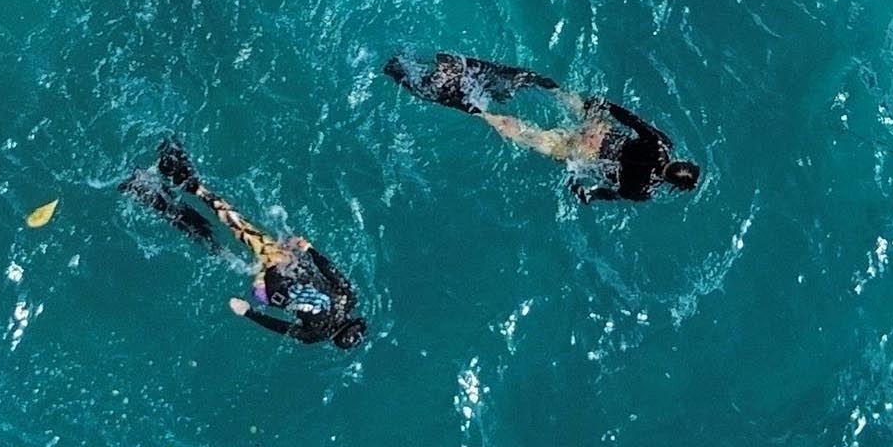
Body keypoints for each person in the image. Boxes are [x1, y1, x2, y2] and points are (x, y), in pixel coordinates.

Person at [385, 53, 702, 204]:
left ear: (680, 161)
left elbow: (631, 119)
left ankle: (486, 78)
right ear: (672, 185)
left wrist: (601, 105)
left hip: (601, 132)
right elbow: (607, 191)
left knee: (555, 90)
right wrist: (586, 192)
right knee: (525, 134)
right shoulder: (644, 191)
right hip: (585, 152)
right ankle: (473, 107)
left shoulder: (662, 145)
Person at [139, 141, 365, 349]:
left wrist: (308, 248)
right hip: (266, 291)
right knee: (217, 247)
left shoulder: (348, 298)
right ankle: (153, 198)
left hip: (282, 267)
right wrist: (248, 311)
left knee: (239, 226)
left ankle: (191, 185)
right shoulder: (315, 335)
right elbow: (279, 326)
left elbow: (330, 269)